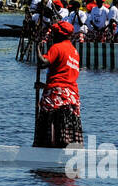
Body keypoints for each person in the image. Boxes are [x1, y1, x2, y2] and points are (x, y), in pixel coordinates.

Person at [33, 20, 82, 148]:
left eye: (54, 34)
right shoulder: (74, 52)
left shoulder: (57, 47)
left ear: (60, 35)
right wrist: (43, 85)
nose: (53, 36)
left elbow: (43, 62)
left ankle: (47, 149)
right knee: (66, 125)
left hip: (56, 96)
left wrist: (37, 47)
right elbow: (65, 78)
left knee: (47, 122)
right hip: (72, 96)